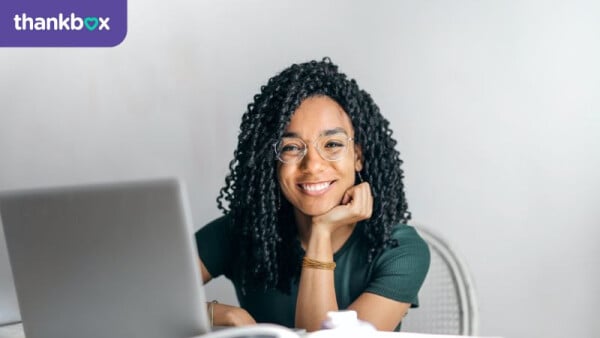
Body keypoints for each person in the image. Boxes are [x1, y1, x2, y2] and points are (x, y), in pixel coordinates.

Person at [195, 58, 430, 332]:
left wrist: (321, 231)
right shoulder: (242, 232)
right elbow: (140, 295)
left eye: (332, 144)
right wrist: (224, 315)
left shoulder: (400, 250)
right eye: (291, 148)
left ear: (358, 156)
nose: (313, 165)